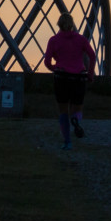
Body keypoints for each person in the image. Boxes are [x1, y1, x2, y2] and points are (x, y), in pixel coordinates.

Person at [42, 13, 97, 150]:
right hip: (78, 77)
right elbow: (92, 55)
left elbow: (47, 62)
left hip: (61, 77)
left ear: (58, 24)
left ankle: (67, 142)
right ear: (72, 24)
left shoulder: (53, 40)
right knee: (77, 107)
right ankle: (76, 120)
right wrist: (90, 74)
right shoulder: (81, 39)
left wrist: (56, 67)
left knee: (63, 111)